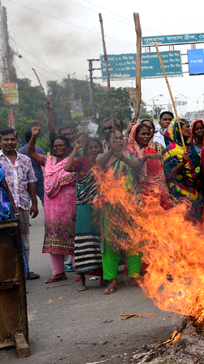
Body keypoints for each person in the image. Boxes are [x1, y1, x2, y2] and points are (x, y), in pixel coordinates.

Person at [27, 121, 77, 283]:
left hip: (69, 206)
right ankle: (58, 272)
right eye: (55, 146)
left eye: (61, 145)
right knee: (53, 239)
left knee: (74, 239)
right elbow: (30, 152)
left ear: (68, 148)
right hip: (52, 209)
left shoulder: (74, 161)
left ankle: (79, 271)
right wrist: (34, 136)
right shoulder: (48, 161)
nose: (57, 148)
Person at [96, 129, 142, 294]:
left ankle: (134, 275)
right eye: (114, 139)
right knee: (110, 244)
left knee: (134, 241)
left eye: (120, 138)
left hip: (130, 204)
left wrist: (121, 156)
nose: (118, 140)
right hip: (110, 206)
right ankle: (112, 280)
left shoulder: (129, 156)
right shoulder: (102, 157)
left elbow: (137, 168)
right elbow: (98, 166)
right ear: (107, 142)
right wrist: (111, 153)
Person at [0, 128, 40, 280]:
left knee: (24, 239)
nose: (9, 142)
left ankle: (24, 270)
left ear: (16, 141)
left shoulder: (25, 159)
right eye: (6, 139)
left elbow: (31, 182)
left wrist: (34, 203)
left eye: (12, 139)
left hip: (23, 205)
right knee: (5, 240)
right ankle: (9, 272)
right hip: (3, 209)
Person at [64, 136, 103, 291]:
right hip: (83, 207)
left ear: (101, 149)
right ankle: (81, 278)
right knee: (82, 242)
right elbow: (67, 168)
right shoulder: (81, 162)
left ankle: (102, 276)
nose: (94, 150)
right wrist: (75, 148)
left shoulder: (102, 163)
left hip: (99, 206)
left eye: (96, 147)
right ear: (86, 149)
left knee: (99, 242)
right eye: (91, 147)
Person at [163, 117, 203, 221]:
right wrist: (183, 163)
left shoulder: (189, 146)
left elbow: (196, 168)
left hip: (193, 192)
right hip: (179, 193)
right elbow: (168, 174)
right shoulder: (171, 149)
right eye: (187, 127)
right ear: (178, 130)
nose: (190, 129)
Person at [125, 123, 169, 208]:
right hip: (133, 192)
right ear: (135, 135)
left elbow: (158, 177)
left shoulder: (152, 152)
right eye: (143, 134)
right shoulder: (128, 151)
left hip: (152, 194)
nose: (146, 137)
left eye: (148, 134)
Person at [18, 130, 45, 206]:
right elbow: (42, 165)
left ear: (25, 140)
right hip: (38, 178)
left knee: (26, 201)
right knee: (43, 198)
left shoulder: (20, 151)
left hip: (26, 180)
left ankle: (26, 217)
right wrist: (45, 175)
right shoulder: (39, 150)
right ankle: (48, 216)